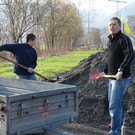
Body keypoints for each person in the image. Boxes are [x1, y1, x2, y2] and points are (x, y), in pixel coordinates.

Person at [99, 17, 134, 135]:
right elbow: (110, 59)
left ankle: (114, 132)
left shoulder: (124, 39)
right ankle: (118, 127)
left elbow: (129, 55)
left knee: (114, 106)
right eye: (109, 25)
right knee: (114, 104)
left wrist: (121, 70)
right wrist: (105, 71)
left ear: (120, 26)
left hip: (120, 78)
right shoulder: (110, 41)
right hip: (112, 77)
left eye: (114, 24)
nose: (111, 27)